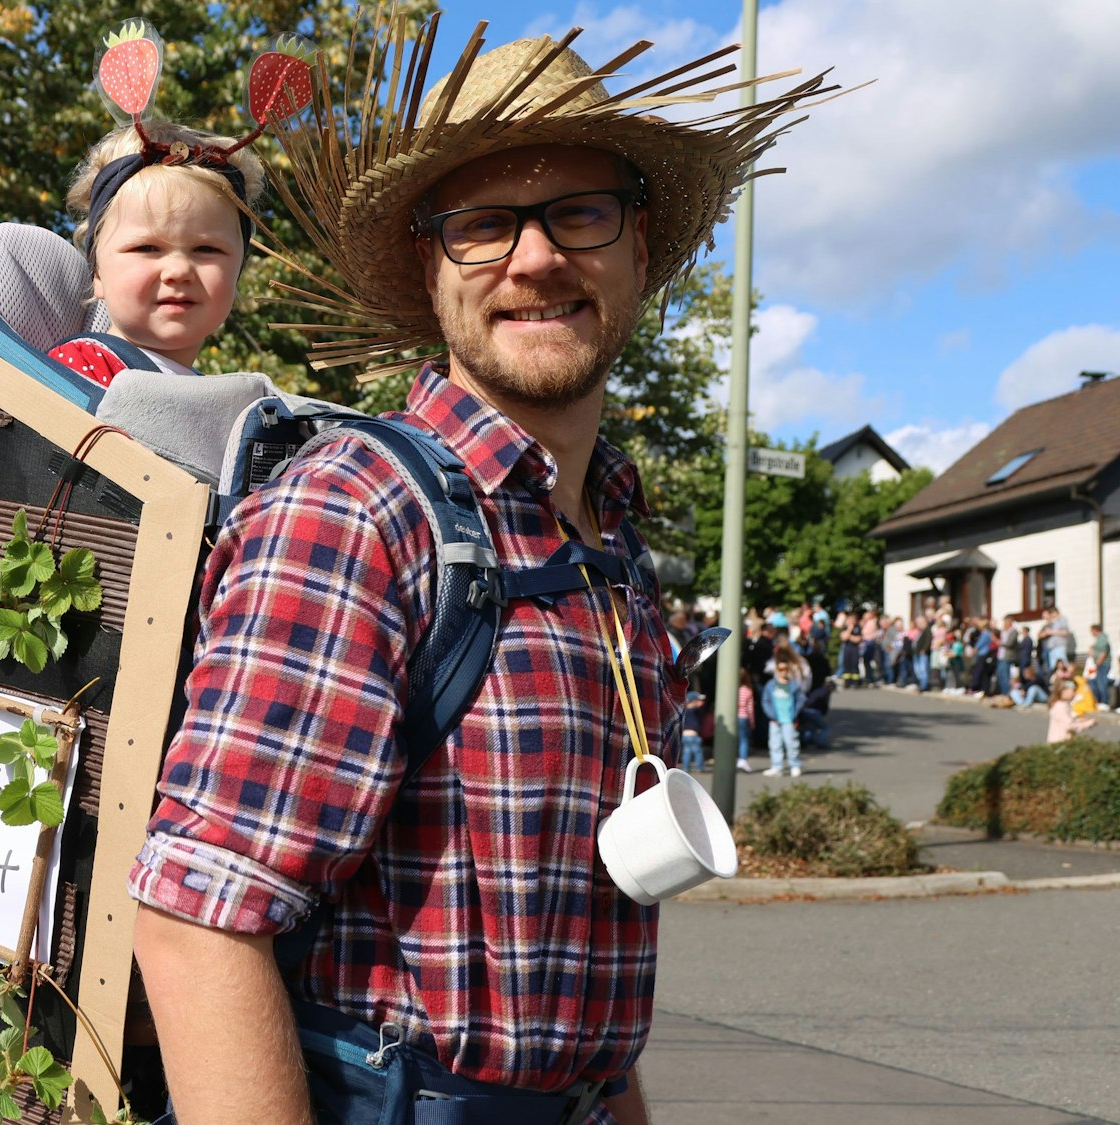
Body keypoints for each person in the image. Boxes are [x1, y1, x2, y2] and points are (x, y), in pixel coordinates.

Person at [126, 24, 827, 1124]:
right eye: (482, 225)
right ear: (427, 266)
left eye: (579, 213)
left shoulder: (609, 547)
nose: (536, 258)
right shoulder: (356, 511)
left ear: (639, 246)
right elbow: (197, 921)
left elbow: (577, 965)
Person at [48, 119, 265, 386]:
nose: (179, 271)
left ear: (237, 270)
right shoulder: (81, 370)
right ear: (98, 274)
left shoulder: (215, 394)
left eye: (206, 249)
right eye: (147, 248)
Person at [764, 660, 803, 778]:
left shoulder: (793, 686)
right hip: (775, 720)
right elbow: (766, 701)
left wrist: (795, 715)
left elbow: (800, 701)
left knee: (791, 743)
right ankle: (777, 766)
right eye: (781, 669)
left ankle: (795, 765)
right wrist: (771, 715)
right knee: (774, 744)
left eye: (786, 669)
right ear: (777, 671)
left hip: (789, 719)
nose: (784, 672)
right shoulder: (771, 685)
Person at [1045, 679, 1095, 744]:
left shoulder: (1061, 704)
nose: (1075, 693)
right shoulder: (1060, 706)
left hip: (1058, 741)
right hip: (1059, 743)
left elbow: (1066, 720)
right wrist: (1088, 724)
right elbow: (1070, 726)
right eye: (1074, 690)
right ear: (1064, 690)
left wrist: (1080, 720)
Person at [733, 668, 756, 773]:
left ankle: (733, 759)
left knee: (733, 739)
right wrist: (752, 721)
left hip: (733, 717)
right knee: (744, 740)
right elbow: (750, 708)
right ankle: (742, 760)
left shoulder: (731, 689)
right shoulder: (747, 690)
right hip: (743, 716)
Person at [1087, 624, 1112, 710]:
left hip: (1102, 664)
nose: (1091, 633)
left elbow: (1103, 653)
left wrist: (1097, 663)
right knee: (1098, 682)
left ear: (1095, 630)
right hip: (1099, 664)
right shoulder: (1099, 639)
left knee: (1102, 683)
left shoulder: (1102, 639)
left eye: (1092, 631)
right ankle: (1101, 702)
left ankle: (1105, 702)